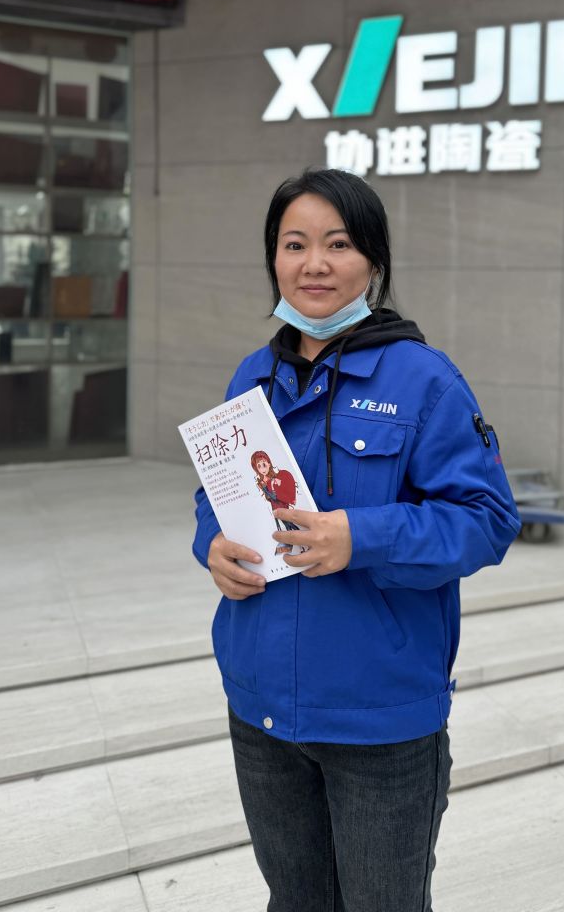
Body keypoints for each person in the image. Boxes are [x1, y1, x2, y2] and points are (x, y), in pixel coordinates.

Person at [192, 168, 521, 912]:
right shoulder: (254, 375)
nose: (315, 263)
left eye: (338, 244)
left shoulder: (424, 381)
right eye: (294, 244)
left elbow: (487, 518)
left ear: (373, 260)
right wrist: (211, 542)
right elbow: (216, 494)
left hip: (379, 720)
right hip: (261, 709)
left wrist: (362, 536)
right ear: (274, 259)